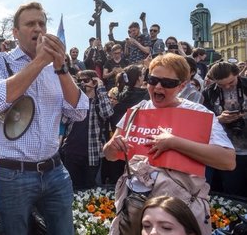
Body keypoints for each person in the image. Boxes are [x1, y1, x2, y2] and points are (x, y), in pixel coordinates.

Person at [0, 1, 88, 235]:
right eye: (30, 24)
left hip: (55, 171)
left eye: (41, 23)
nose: (38, 29)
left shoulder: (55, 68)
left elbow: (79, 111)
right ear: (16, 33)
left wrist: (60, 67)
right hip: (13, 175)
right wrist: (40, 61)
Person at [103, 53, 235, 234]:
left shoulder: (198, 114)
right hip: (135, 208)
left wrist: (175, 143)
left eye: (167, 83)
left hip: (179, 211)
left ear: (182, 86)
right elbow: (110, 155)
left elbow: (228, 160)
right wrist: (112, 147)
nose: (158, 86)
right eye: (153, 80)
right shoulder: (136, 111)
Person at [61, 70, 113, 190]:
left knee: (90, 190)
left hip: (92, 153)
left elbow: (107, 113)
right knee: (71, 189)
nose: (83, 84)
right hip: (71, 151)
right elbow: (63, 120)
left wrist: (100, 87)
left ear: (94, 82)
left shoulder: (98, 102)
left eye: (86, 80)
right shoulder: (76, 100)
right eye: (80, 81)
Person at [202, 61, 247, 198]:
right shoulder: (209, 93)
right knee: (233, 192)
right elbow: (204, 122)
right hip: (228, 150)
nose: (227, 87)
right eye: (221, 85)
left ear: (237, 74)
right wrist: (219, 119)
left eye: (231, 82)